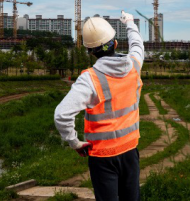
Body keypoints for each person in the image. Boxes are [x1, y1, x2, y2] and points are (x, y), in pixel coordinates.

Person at [54, 10, 144, 201]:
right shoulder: (135, 64)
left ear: (90, 51)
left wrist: (75, 142)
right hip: (130, 151)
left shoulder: (89, 79)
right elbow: (137, 43)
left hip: (103, 157)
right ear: (116, 43)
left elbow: (62, 115)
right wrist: (130, 22)